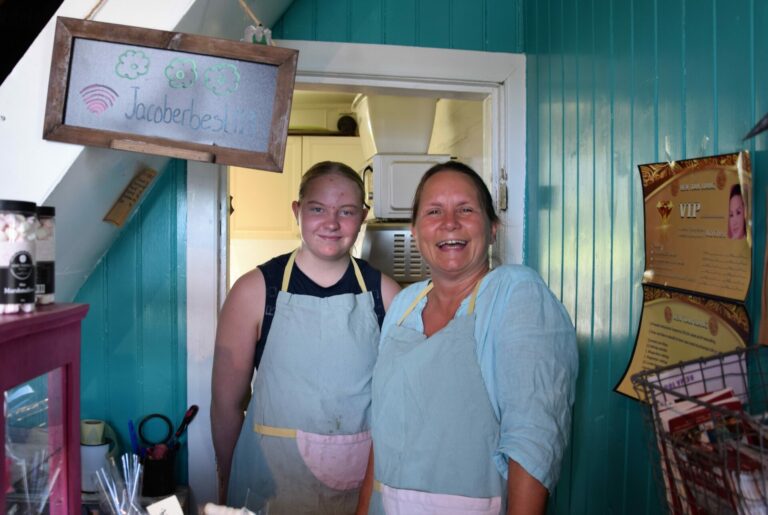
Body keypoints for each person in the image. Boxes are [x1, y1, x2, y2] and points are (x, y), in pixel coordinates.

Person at [357, 161, 578, 515]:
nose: (449, 223)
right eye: (434, 211)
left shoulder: (516, 295)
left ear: (492, 228)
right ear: (415, 230)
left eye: (465, 209)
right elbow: (380, 435)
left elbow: (534, 442)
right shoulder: (403, 305)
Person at [212, 161, 400, 514]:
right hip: (269, 483)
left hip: (358, 485)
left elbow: (401, 405)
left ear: (362, 216)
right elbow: (226, 405)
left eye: (345, 212)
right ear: (297, 211)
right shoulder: (253, 291)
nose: (331, 223)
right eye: (318, 209)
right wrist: (226, 479)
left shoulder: (386, 294)